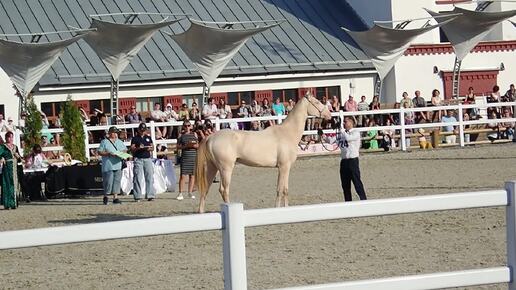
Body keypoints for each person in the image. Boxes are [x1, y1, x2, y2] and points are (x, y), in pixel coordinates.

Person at [336, 117, 367, 202]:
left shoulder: (355, 132)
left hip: (353, 161)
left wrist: (342, 131)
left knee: (357, 182)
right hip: (344, 161)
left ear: (351, 122)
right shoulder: (343, 133)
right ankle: (348, 202)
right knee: (345, 185)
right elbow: (333, 141)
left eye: (345, 122)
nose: (344, 124)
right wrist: (323, 136)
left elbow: (348, 138)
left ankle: (363, 200)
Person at [98, 126, 127, 205]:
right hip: (108, 165)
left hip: (117, 164)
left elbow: (125, 149)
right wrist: (108, 153)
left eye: (116, 132)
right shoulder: (104, 142)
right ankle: (106, 196)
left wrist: (122, 153)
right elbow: (100, 152)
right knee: (108, 181)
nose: (115, 134)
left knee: (117, 181)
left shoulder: (119, 142)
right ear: (110, 133)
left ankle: (115, 197)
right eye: (113, 132)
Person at [130, 123, 155, 202]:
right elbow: (132, 149)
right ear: (138, 130)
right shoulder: (135, 138)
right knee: (137, 177)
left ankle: (150, 195)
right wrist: (138, 148)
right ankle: (137, 196)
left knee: (149, 177)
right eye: (141, 130)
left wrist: (149, 148)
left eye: (144, 130)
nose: (142, 132)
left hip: (147, 158)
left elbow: (152, 147)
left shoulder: (148, 138)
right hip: (139, 158)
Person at [176, 120, 199, 200]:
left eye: (188, 125)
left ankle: (190, 192)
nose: (187, 127)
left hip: (193, 156)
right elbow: (178, 146)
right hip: (185, 156)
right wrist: (185, 146)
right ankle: (180, 193)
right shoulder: (181, 135)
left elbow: (198, 145)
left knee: (192, 175)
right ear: (183, 126)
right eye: (185, 126)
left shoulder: (194, 134)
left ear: (191, 126)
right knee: (183, 176)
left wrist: (193, 145)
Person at [1, 131, 21, 209]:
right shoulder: (3, 147)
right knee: (7, 184)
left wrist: (18, 157)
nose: (11, 139)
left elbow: (19, 159)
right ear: (6, 138)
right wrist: (1, 158)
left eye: (12, 137)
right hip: (7, 168)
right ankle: (7, 204)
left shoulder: (15, 147)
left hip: (14, 168)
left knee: (14, 185)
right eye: (9, 137)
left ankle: (14, 203)